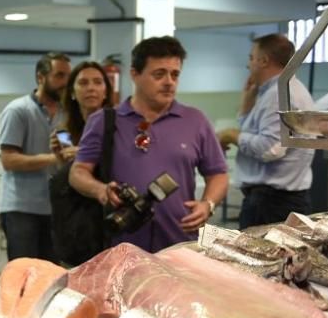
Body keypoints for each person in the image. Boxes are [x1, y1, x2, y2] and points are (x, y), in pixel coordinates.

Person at [70, 37, 229, 253]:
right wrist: (101, 189)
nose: (169, 82)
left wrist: (207, 204)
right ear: (135, 74)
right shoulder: (104, 121)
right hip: (122, 244)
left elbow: (218, 173)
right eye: (159, 74)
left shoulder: (195, 120)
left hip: (179, 244)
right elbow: (78, 172)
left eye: (175, 74)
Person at [217, 33, 315, 228]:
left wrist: (231, 135)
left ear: (263, 61)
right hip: (273, 200)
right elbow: (258, 134)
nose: (248, 64)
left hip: (271, 203)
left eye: (251, 58)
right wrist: (246, 105)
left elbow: (270, 148)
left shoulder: (279, 95)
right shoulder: (280, 91)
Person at [0, 52, 71, 260]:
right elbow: (9, 160)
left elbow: (65, 154)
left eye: (67, 76)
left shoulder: (66, 113)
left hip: (54, 208)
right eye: (59, 76)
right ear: (41, 77)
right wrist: (53, 159)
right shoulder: (18, 111)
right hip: (21, 209)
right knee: (24, 274)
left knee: (52, 275)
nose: (65, 82)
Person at [48, 61, 114, 266]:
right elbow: (67, 177)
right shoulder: (66, 130)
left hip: (105, 220)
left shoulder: (117, 126)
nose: (91, 88)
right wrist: (61, 159)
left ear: (105, 91)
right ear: (73, 92)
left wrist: (87, 155)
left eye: (97, 82)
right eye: (83, 83)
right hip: (73, 224)